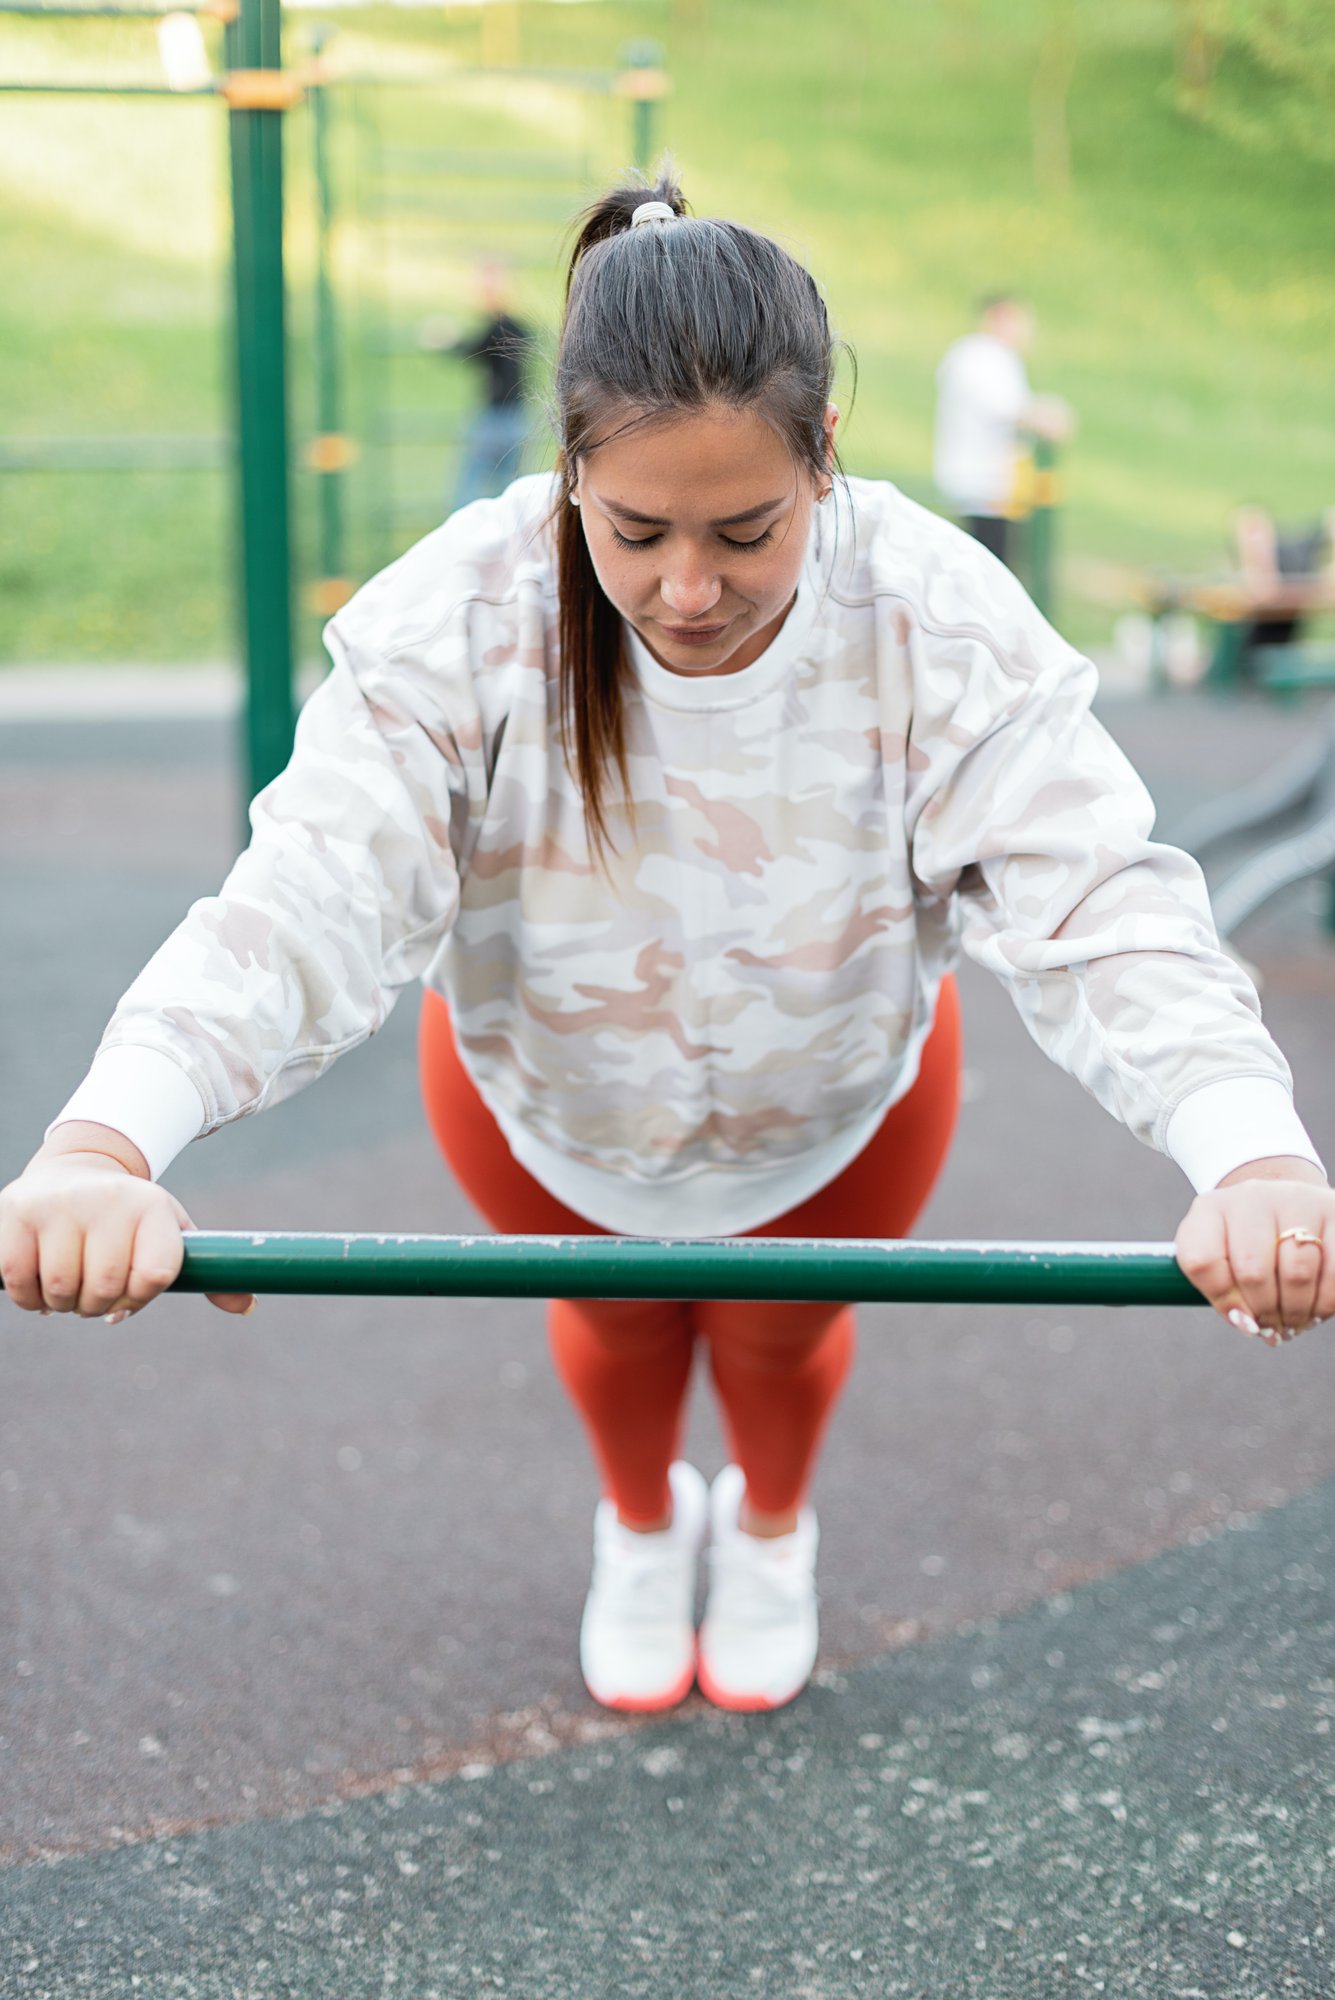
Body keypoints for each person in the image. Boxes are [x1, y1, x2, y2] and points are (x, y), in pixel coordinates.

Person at [3, 176, 1333, 1721]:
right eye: (633, 530)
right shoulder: (469, 609)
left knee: (779, 1334)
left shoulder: (930, 615)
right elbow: (305, 897)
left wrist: (1246, 1154)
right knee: (615, 1321)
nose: (685, 589)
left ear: (822, 456)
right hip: (538, 1092)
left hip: (840, 1094)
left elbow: (1099, 908)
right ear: (569, 472)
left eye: (746, 530)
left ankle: (767, 1527)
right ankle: (640, 1525)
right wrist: (109, 1136)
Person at [933, 293, 1074, 569]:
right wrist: (1048, 415)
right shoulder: (983, 355)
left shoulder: (983, 356)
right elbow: (1005, 407)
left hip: (990, 482)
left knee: (990, 559)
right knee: (989, 563)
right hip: (984, 481)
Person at [424, 257, 532, 513]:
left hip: (497, 418)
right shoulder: (515, 327)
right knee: (511, 489)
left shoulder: (501, 327)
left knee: (469, 488)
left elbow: (472, 349)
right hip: (517, 416)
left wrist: (444, 340)